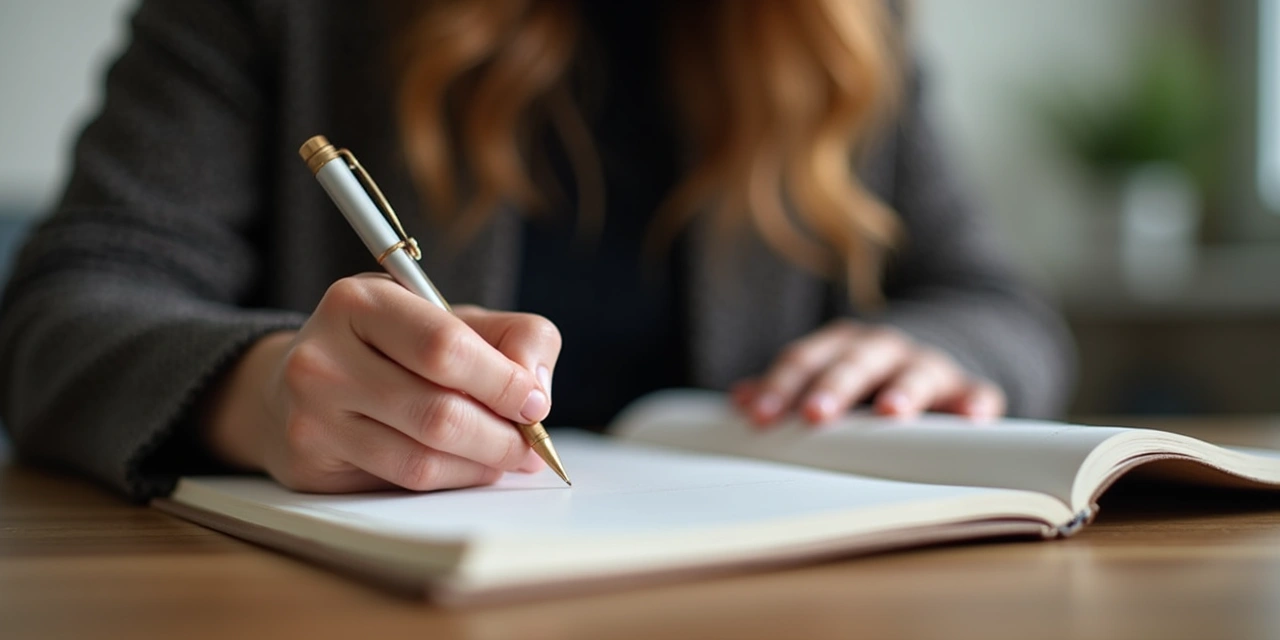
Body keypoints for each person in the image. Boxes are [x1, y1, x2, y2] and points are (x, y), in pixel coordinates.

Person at [0, 0, 1073, 502]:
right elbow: (64, 310)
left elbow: (997, 303)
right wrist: (268, 390)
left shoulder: (843, 30)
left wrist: (929, 352)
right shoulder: (279, 17)